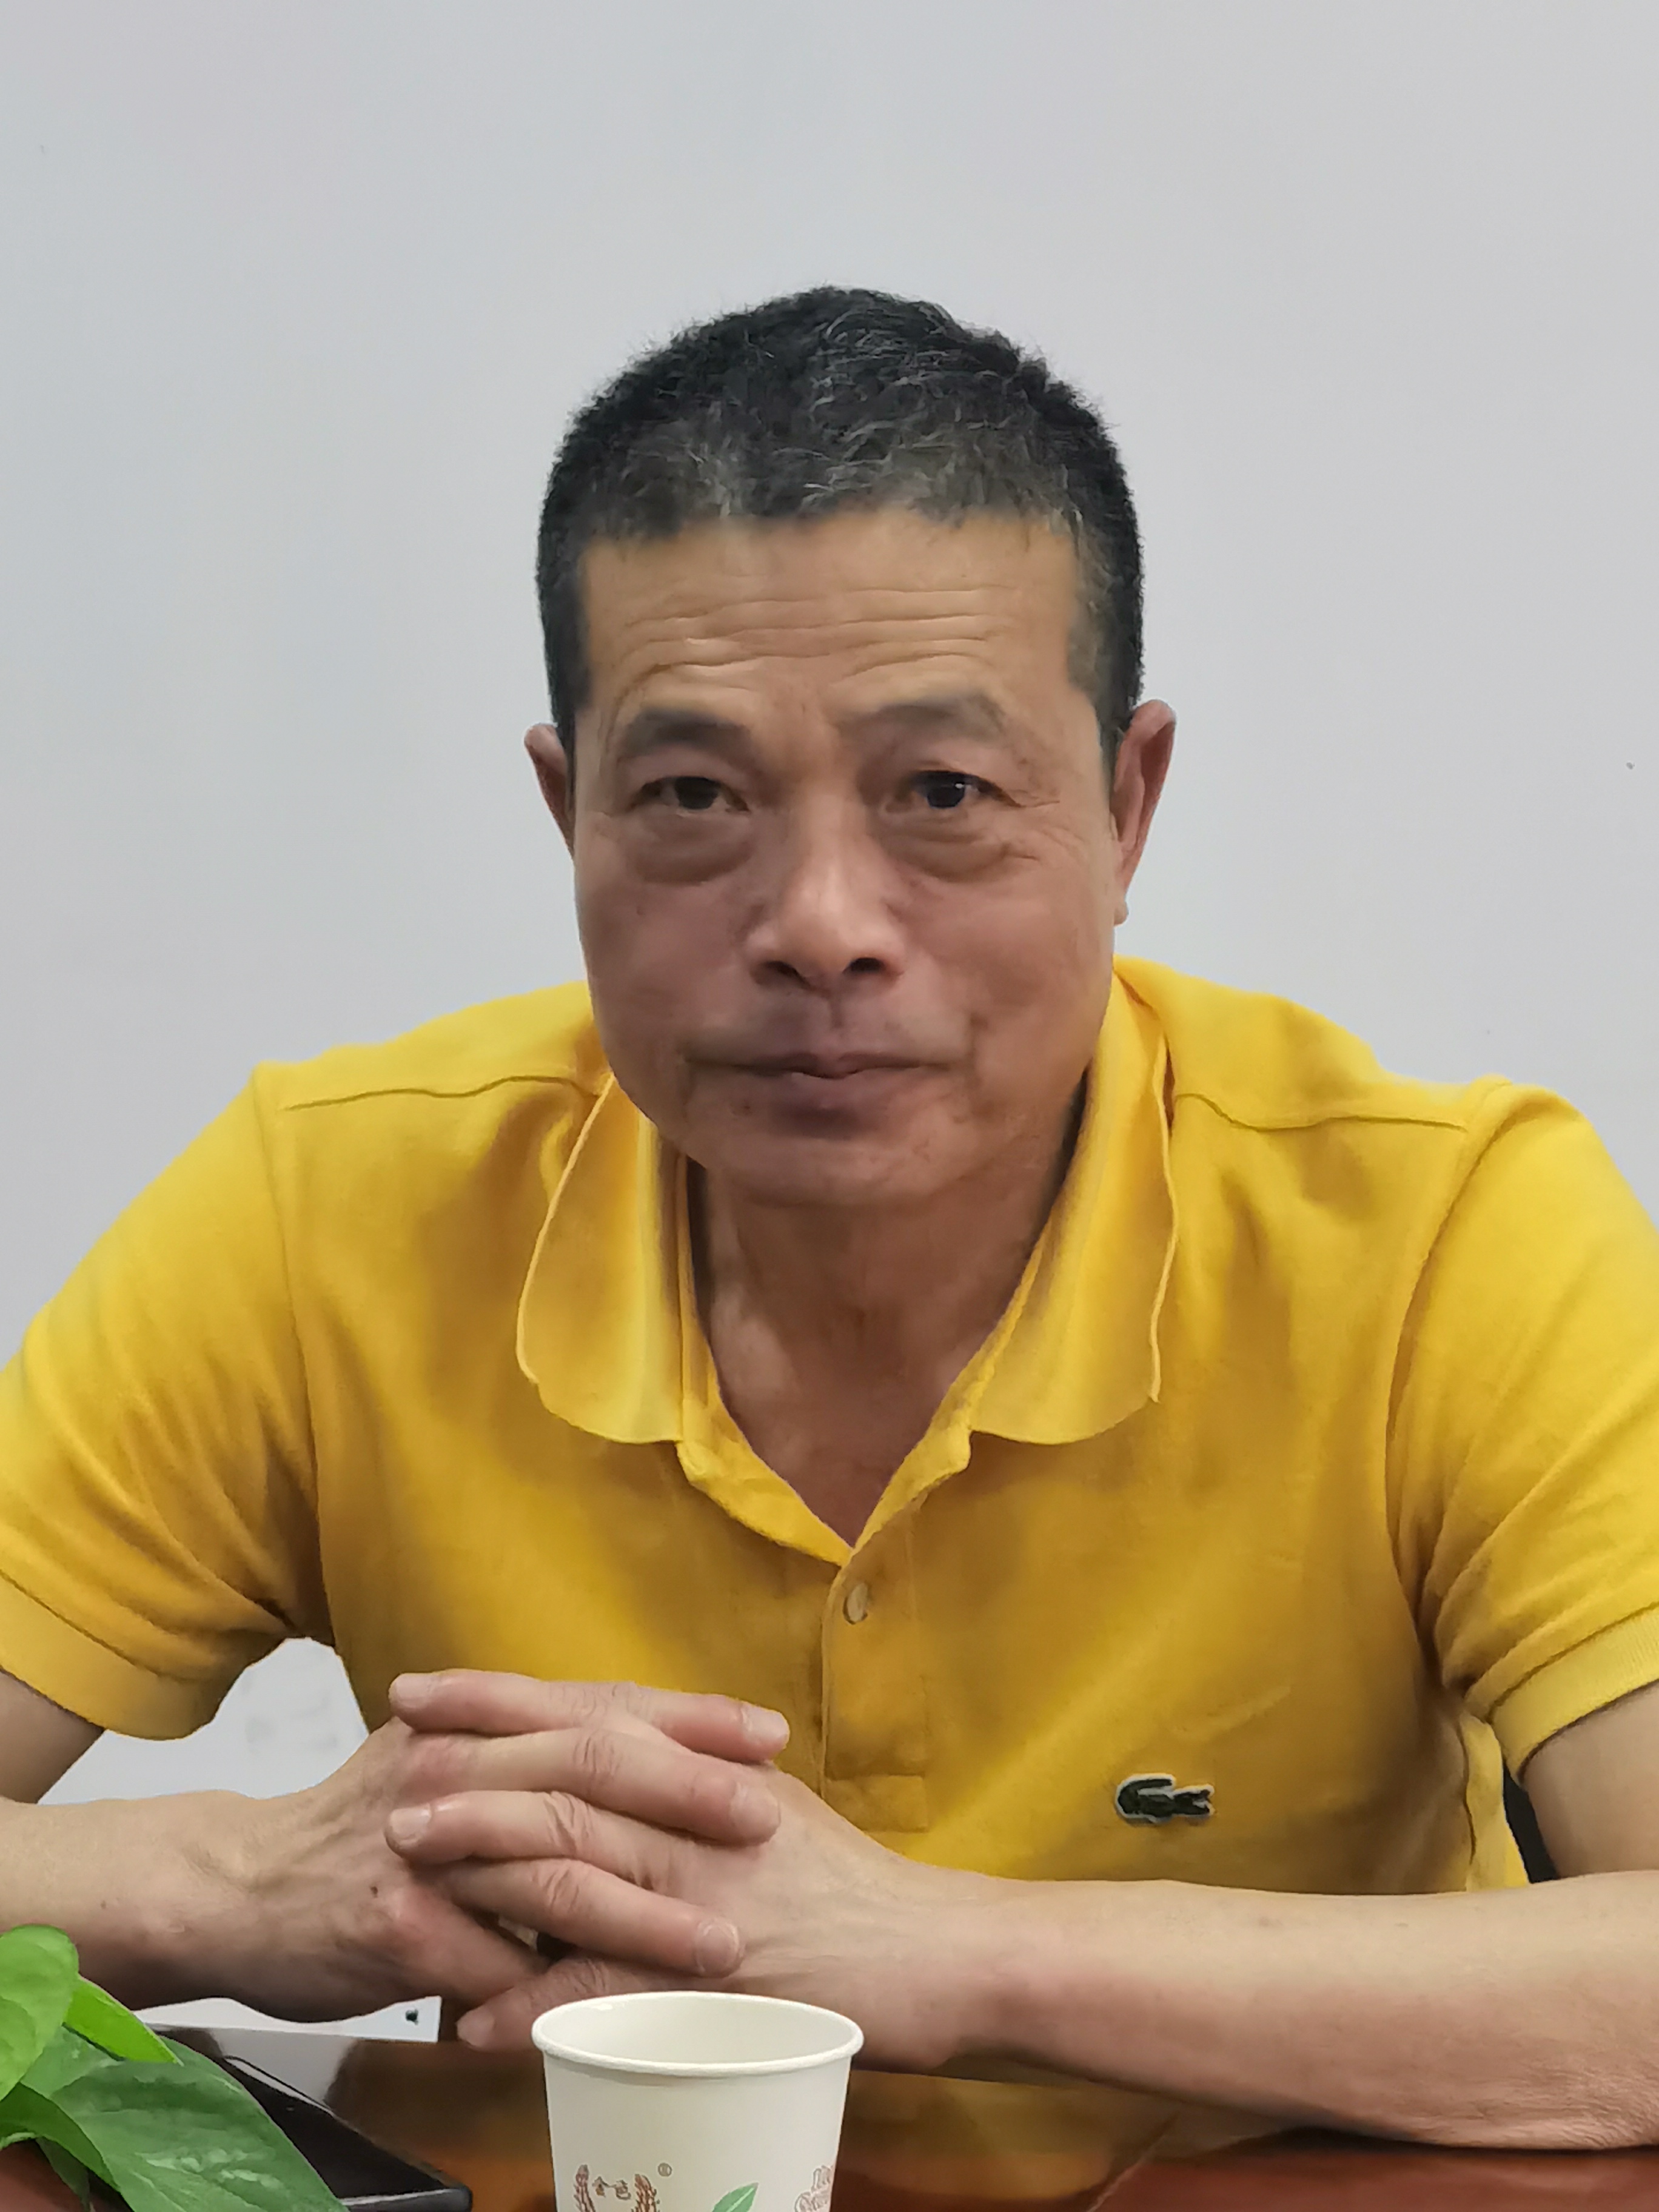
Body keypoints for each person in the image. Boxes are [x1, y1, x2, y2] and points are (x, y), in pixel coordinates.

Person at [4, 287, 1659, 2150]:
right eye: (693, 794)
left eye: (942, 791)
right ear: (568, 812)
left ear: (1127, 805)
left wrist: (943, 1953)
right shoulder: (334, 1209)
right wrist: (228, 1885)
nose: (819, 924)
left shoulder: (1443, 1236)